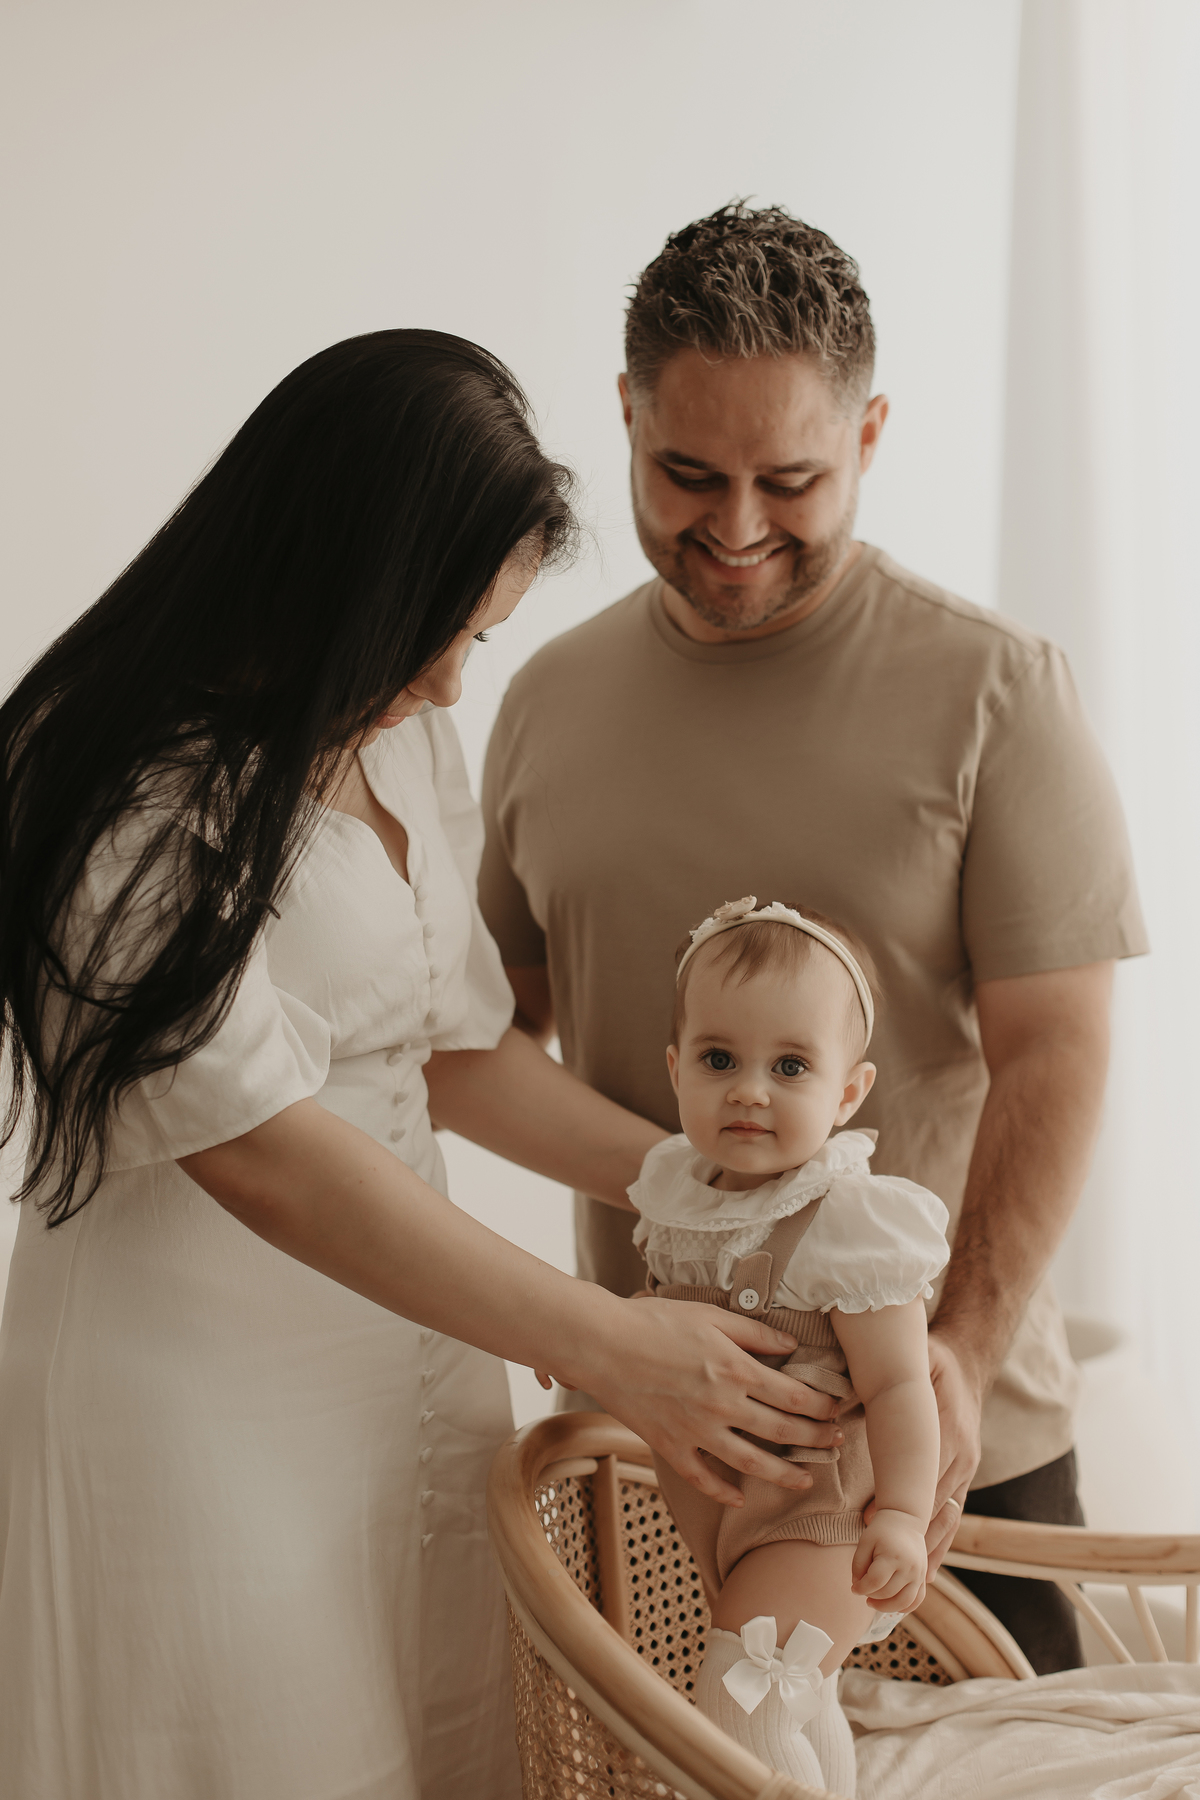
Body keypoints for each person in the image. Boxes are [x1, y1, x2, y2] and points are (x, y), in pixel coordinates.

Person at [0, 330, 839, 1800]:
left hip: (413, 1355)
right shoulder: (124, 777)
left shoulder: (391, 730)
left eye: (481, 637)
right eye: (438, 630)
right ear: (335, 573)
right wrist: (607, 1340)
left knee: (442, 1740)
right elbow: (257, 1149)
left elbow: (454, 1053)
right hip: (197, 1400)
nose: (454, 683)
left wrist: (728, 1186)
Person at [479, 204, 1149, 1673]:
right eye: (688, 474)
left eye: (789, 480)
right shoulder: (543, 703)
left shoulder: (998, 693)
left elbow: (1056, 1054)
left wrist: (960, 1352)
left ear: (870, 436)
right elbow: (483, 1040)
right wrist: (603, 1289)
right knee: (677, 1766)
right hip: (661, 1450)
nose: (734, 528)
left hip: (947, 1455)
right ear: (626, 415)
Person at [627, 895, 949, 1793]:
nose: (749, 1089)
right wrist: (584, 1333)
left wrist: (902, 1516)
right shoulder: (678, 1196)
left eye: (791, 1066)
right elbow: (658, 1325)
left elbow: (899, 1386)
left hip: (823, 1518)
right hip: (724, 1516)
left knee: (743, 1705)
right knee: (798, 1702)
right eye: (718, 1059)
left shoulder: (848, 1222)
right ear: (676, 1069)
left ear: (847, 1092)